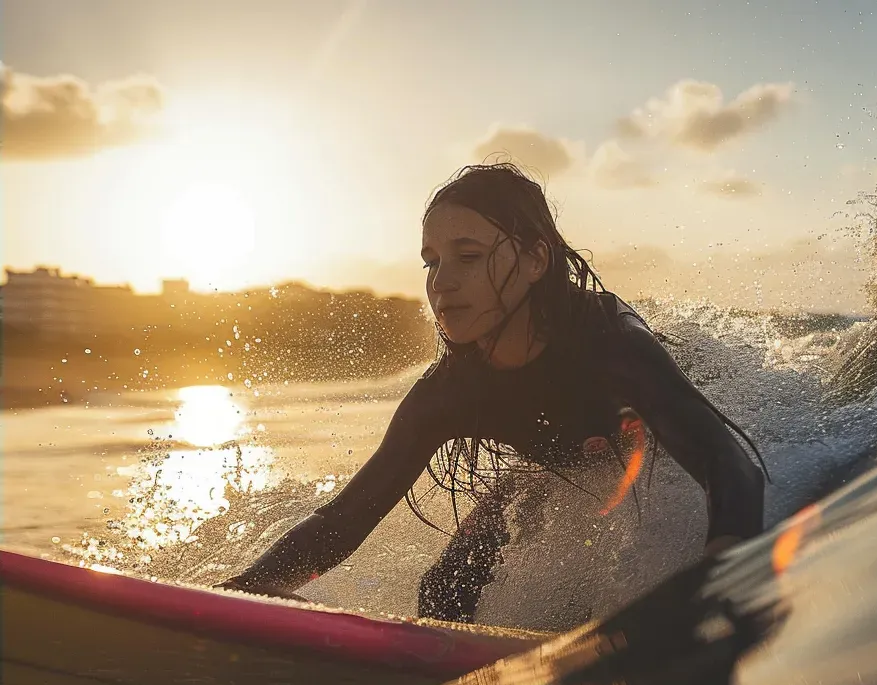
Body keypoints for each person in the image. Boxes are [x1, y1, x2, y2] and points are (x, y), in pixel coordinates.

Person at [219, 164, 766, 620]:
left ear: (534, 259)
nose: (442, 282)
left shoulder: (611, 344)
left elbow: (728, 466)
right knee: (441, 594)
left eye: (470, 256)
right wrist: (242, 594)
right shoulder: (449, 394)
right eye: (432, 262)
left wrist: (724, 571)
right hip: (553, 472)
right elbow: (343, 522)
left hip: (657, 455)